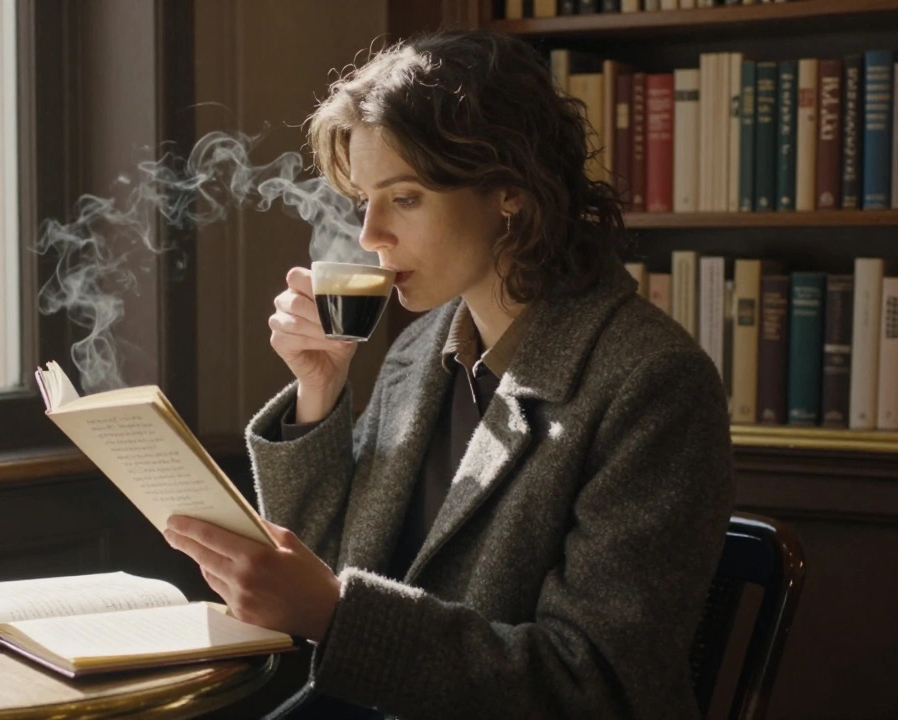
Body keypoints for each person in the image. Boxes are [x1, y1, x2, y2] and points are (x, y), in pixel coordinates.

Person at [162, 30, 735, 719]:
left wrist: (339, 614)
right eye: (365, 200)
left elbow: (593, 691)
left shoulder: (652, 385)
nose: (371, 234)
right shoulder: (418, 353)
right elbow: (317, 581)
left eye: (404, 199)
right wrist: (319, 388)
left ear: (511, 194)